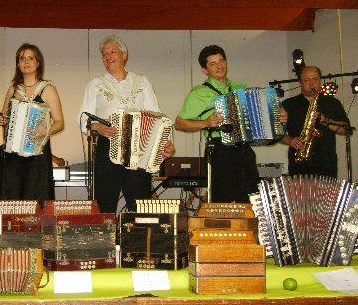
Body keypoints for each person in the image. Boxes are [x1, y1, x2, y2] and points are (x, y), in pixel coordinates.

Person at [175, 45, 286, 203]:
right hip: (219, 151)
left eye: (221, 61)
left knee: (250, 200)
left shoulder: (241, 88)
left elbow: (263, 111)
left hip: (244, 149)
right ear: (204, 70)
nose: (219, 66)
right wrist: (206, 122)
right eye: (212, 64)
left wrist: (278, 115)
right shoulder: (199, 93)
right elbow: (179, 123)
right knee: (222, 201)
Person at [77, 35, 174, 213]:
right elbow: (83, 119)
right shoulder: (95, 84)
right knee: (104, 203)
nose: (108, 56)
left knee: (140, 205)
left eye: (112, 51)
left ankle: (138, 240)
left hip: (139, 149)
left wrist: (165, 143)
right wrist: (97, 127)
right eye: (104, 54)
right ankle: (106, 240)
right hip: (107, 146)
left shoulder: (142, 82)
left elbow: (157, 117)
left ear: (124, 55)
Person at [0, 43, 64, 205]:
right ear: (18, 63)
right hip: (13, 156)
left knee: (36, 199)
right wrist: (3, 121)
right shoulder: (13, 90)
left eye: (30, 58)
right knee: (13, 200)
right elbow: (4, 117)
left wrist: (44, 130)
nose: (26, 62)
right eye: (22, 58)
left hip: (37, 156)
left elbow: (60, 122)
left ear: (38, 62)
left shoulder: (47, 89)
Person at [280, 66, 350, 177]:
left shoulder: (333, 103)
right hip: (299, 166)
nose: (311, 84)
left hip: (327, 165)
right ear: (300, 83)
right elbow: (276, 134)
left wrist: (325, 120)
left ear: (320, 80)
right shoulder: (289, 104)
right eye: (306, 80)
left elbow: (346, 129)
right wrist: (290, 140)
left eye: (315, 79)